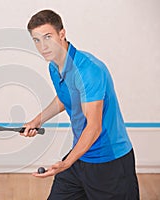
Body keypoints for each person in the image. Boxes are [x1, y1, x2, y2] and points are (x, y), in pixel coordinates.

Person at [21, 9, 139, 199]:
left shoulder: (87, 70)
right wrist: (38, 120)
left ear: (62, 34)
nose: (43, 46)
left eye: (48, 37)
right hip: (80, 156)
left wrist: (67, 163)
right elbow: (65, 97)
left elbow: (94, 127)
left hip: (110, 163)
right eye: (37, 40)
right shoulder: (54, 66)